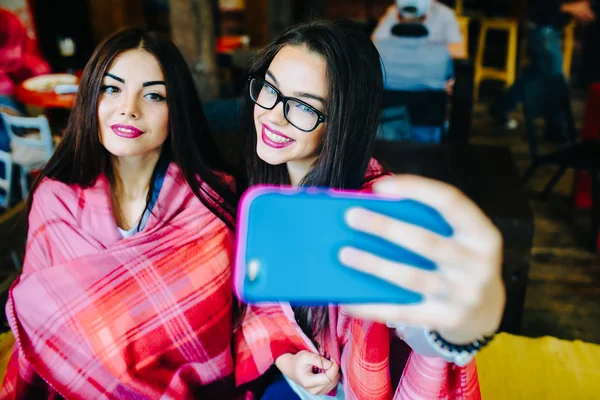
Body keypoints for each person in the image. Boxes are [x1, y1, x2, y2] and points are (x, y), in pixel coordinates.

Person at [233, 20, 504, 400]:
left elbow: (416, 325)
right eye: (270, 89)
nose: (274, 115)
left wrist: (463, 328)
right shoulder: (266, 191)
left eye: (304, 107)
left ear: (344, 121)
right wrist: (286, 359)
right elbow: (266, 311)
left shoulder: (372, 213)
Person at [0, 28, 245, 399]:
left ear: (176, 109)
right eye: (112, 89)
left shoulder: (213, 200)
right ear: (90, 98)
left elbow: (226, 325)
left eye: (153, 95)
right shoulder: (55, 198)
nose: (129, 108)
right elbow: (40, 321)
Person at [490, 0, 596, 135]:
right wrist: (569, 7)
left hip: (549, 29)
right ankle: (555, 129)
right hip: (543, 29)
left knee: (533, 75)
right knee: (555, 79)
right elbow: (539, 5)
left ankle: (500, 107)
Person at [372, 0, 467, 59]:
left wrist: (420, 54)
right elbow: (375, 44)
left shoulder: (446, 14)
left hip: (431, 74)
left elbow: (459, 53)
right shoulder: (395, 11)